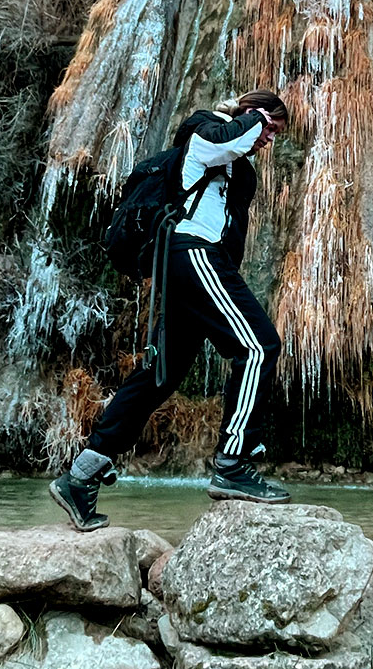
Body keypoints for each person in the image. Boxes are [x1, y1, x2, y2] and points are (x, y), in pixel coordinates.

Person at [50, 89, 292, 530]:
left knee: (157, 378)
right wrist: (253, 116)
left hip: (193, 269)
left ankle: (80, 475)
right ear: (251, 115)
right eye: (269, 128)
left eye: (274, 134)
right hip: (190, 252)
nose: (268, 139)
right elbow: (223, 142)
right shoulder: (204, 130)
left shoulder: (239, 166)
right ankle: (233, 464)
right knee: (259, 347)